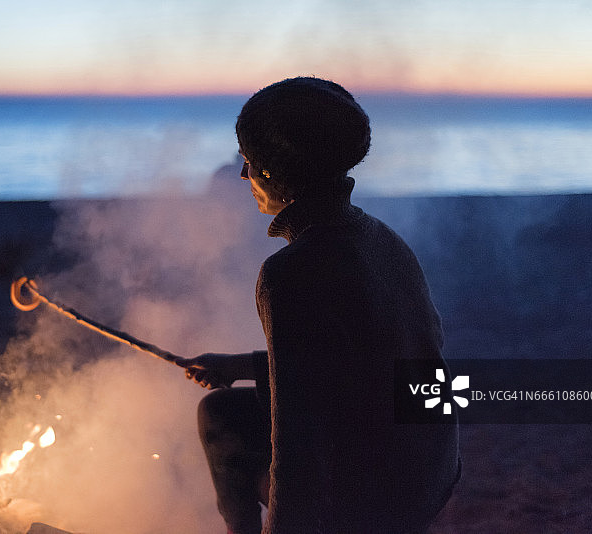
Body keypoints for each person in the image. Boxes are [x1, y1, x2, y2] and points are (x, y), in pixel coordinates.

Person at [178, 77, 460, 534]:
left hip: (375, 503)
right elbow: (350, 364)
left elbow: (298, 441)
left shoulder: (290, 273)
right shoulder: (382, 239)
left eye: (250, 163)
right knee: (223, 410)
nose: (245, 176)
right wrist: (239, 365)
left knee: (234, 428)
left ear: (272, 173)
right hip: (429, 471)